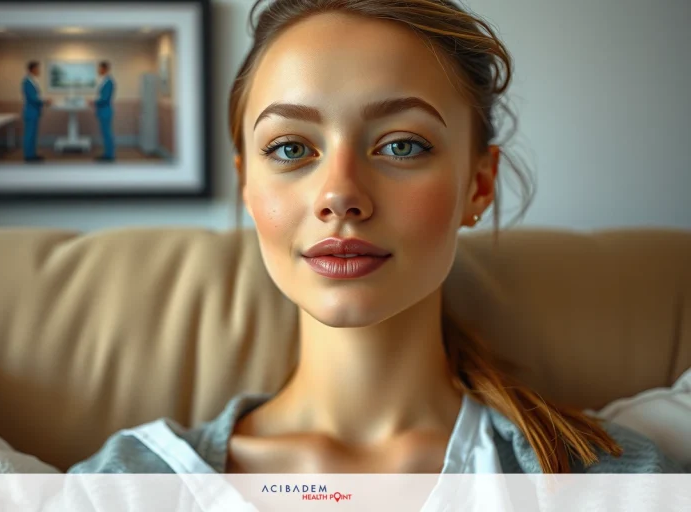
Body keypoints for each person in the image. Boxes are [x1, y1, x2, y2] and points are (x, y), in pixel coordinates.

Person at [70, 0, 683, 475]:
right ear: (247, 188)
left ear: (478, 184)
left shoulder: (603, 478)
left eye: (401, 145)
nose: (340, 194)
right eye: (290, 148)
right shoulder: (125, 483)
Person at [22, 61, 51, 162]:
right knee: (29, 134)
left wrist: (44, 100)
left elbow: (36, 97)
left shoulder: (33, 81)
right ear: (32, 69)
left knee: (33, 135)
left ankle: (32, 154)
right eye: (37, 68)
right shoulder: (27, 82)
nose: (39, 71)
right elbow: (33, 98)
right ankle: (28, 156)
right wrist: (45, 101)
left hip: (34, 112)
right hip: (31, 112)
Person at [90, 61, 116, 162]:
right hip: (103, 111)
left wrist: (93, 101)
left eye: (99, 68)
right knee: (105, 133)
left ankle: (109, 155)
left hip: (105, 111)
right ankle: (107, 154)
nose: (98, 70)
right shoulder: (104, 81)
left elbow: (104, 98)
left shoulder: (109, 82)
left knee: (107, 133)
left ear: (105, 69)